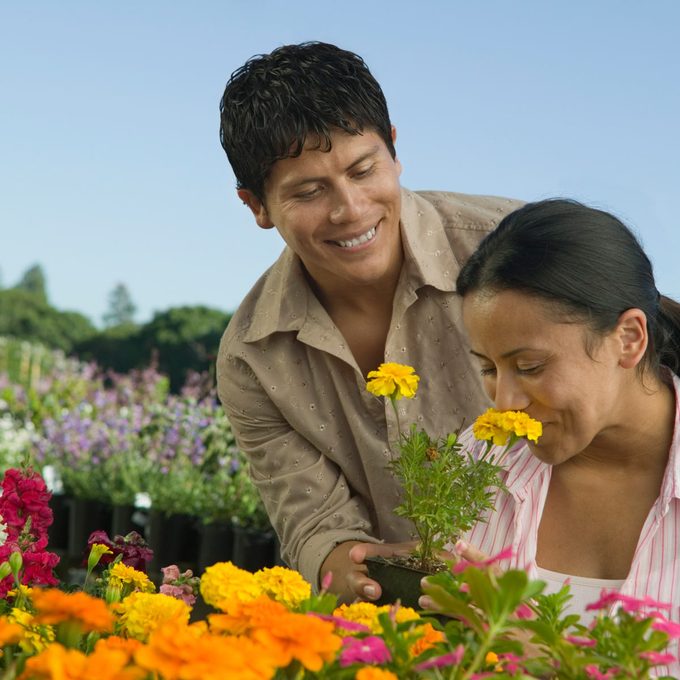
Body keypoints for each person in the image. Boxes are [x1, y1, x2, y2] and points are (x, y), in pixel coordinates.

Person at [215, 40, 521, 602]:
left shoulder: (515, 247)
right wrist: (350, 565)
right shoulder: (252, 356)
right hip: (401, 623)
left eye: (363, 170)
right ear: (256, 206)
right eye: (308, 191)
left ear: (395, 149)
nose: (350, 209)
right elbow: (313, 524)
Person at [413, 198, 680, 674]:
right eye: (488, 368)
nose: (504, 405)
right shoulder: (480, 462)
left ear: (629, 339)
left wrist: (545, 657)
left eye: (530, 367)